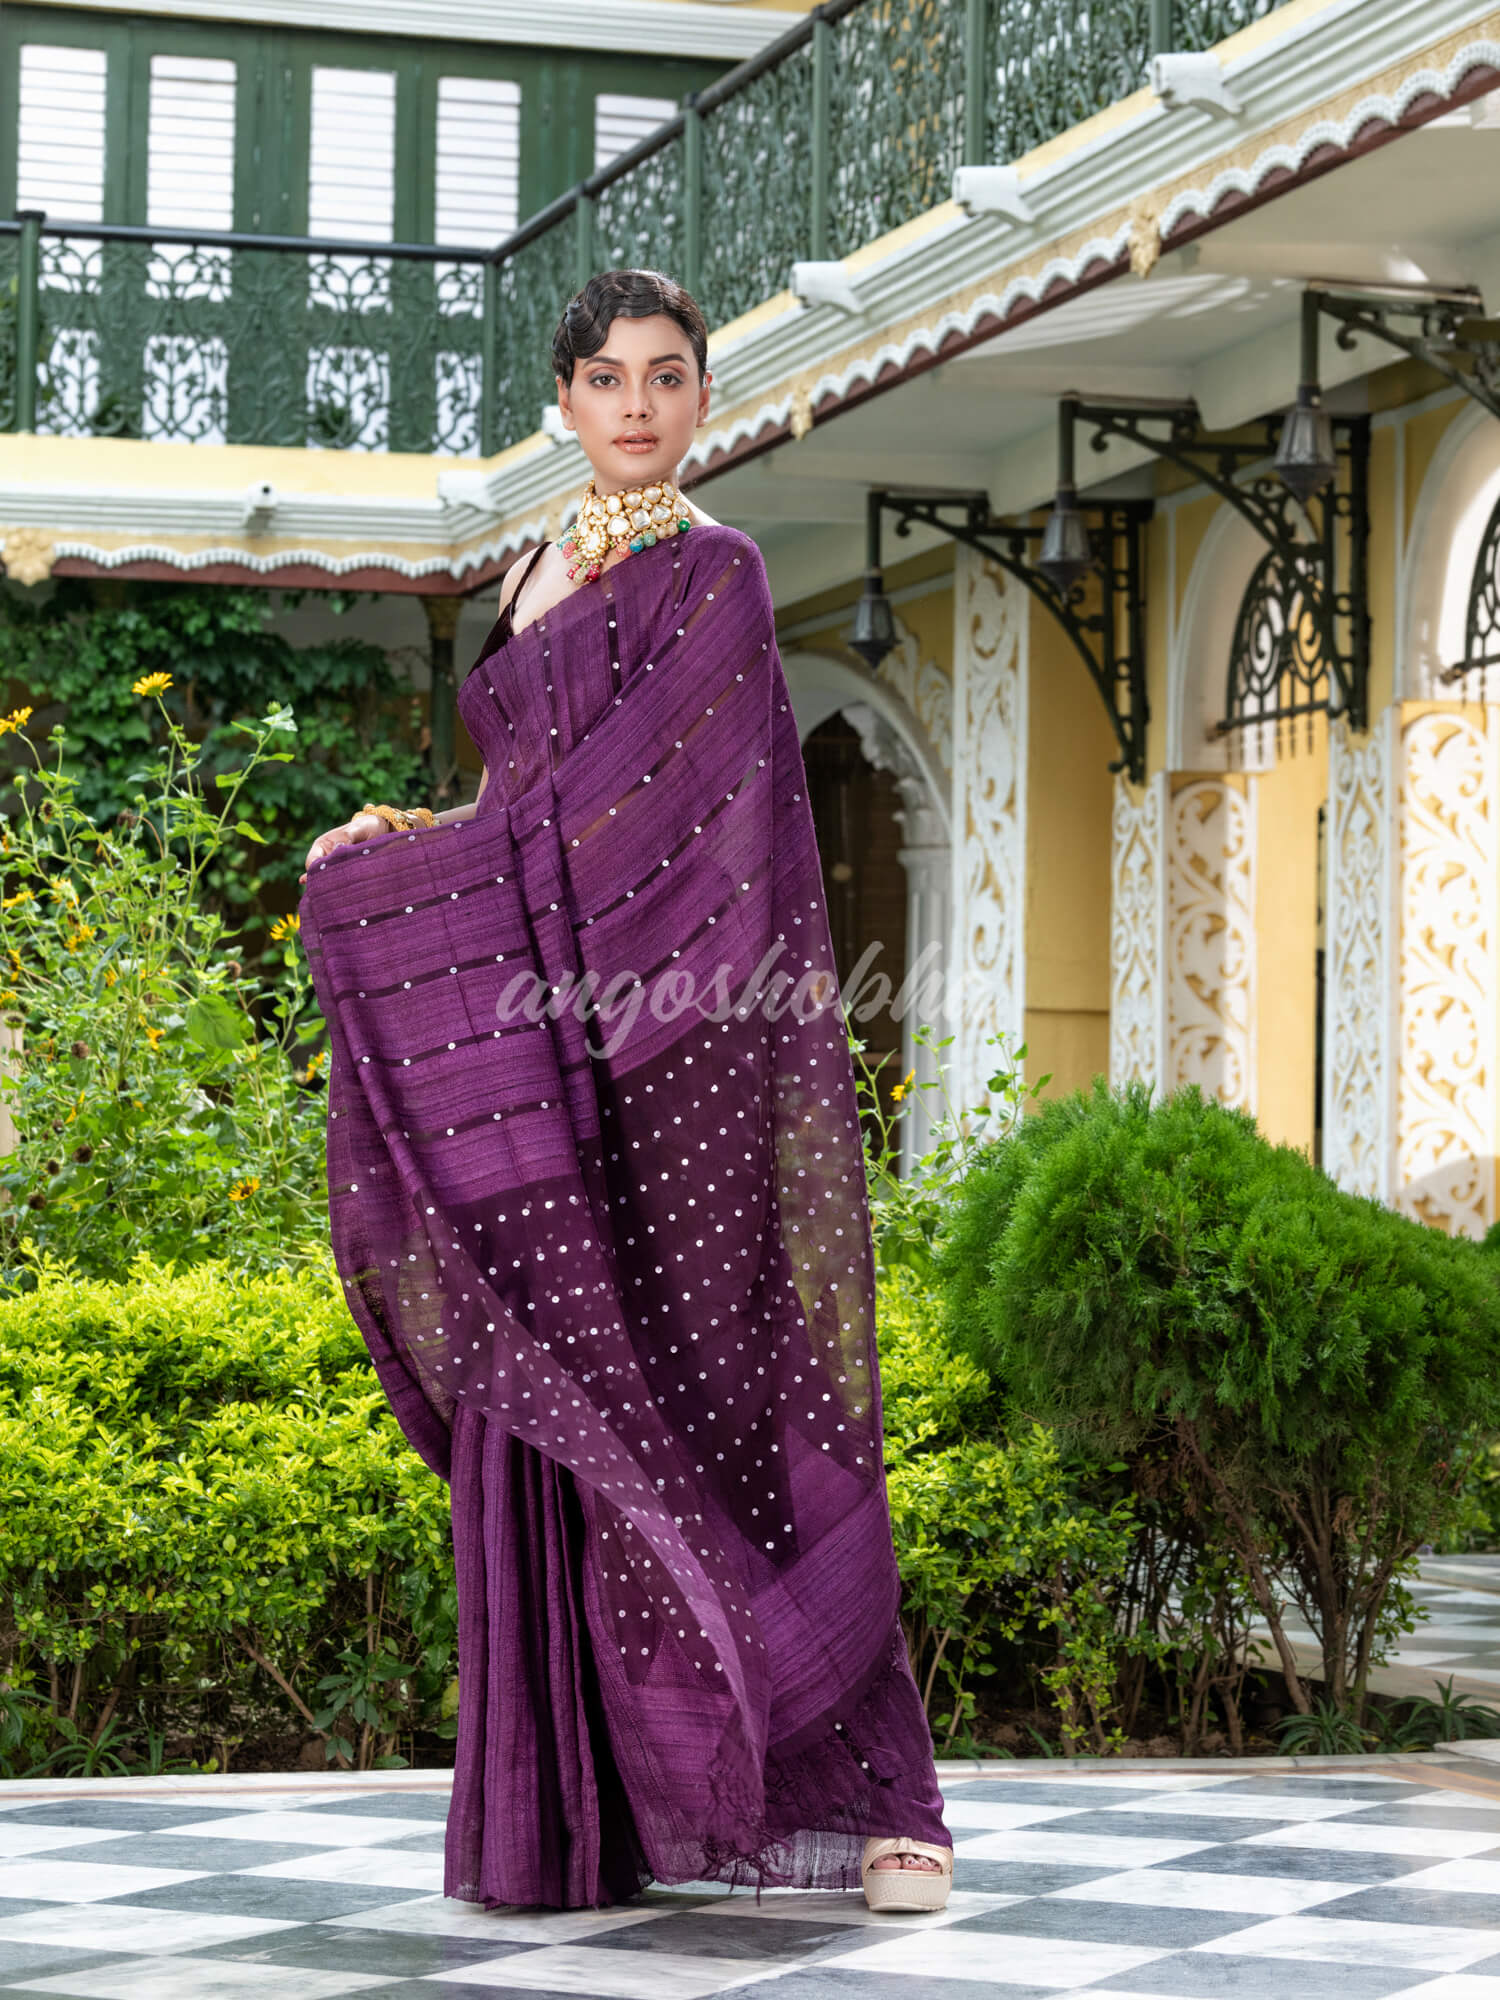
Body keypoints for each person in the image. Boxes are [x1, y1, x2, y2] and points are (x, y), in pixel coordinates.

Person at [297, 268, 953, 1915]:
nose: (638, 406)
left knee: (744, 1409)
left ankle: (889, 1808)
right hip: (550, 1058)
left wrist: (504, 876)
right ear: (565, 403)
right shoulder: (532, 572)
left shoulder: (715, 577)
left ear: (705, 395)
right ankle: (586, 1807)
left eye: (668, 376)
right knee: (573, 1419)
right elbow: (524, 812)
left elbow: (701, 840)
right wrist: (403, 853)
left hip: (684, 1066)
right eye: (606, 379)